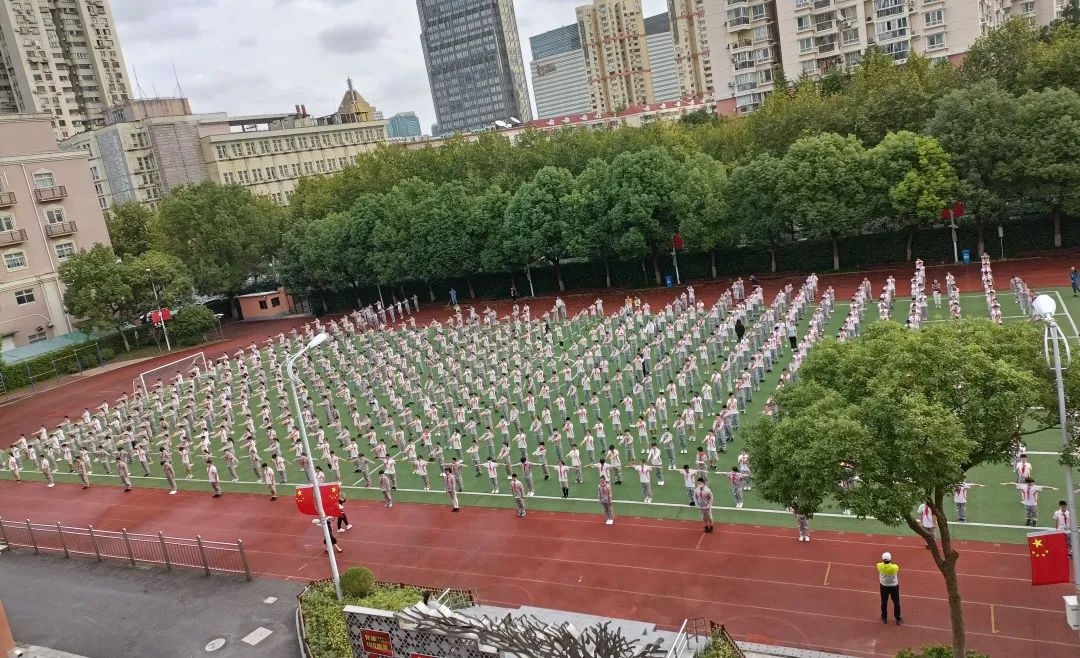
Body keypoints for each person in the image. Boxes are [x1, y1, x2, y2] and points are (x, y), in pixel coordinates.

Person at [877, 552, 902, 625]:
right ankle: (898, 618)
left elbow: (880, 563)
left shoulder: (879, 566)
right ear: (890, 559)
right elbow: (896, 567)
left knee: (884, 602)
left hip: (884, 586)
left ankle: (884, 617)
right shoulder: (894, 567)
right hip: (893, 586)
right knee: (896, 602)